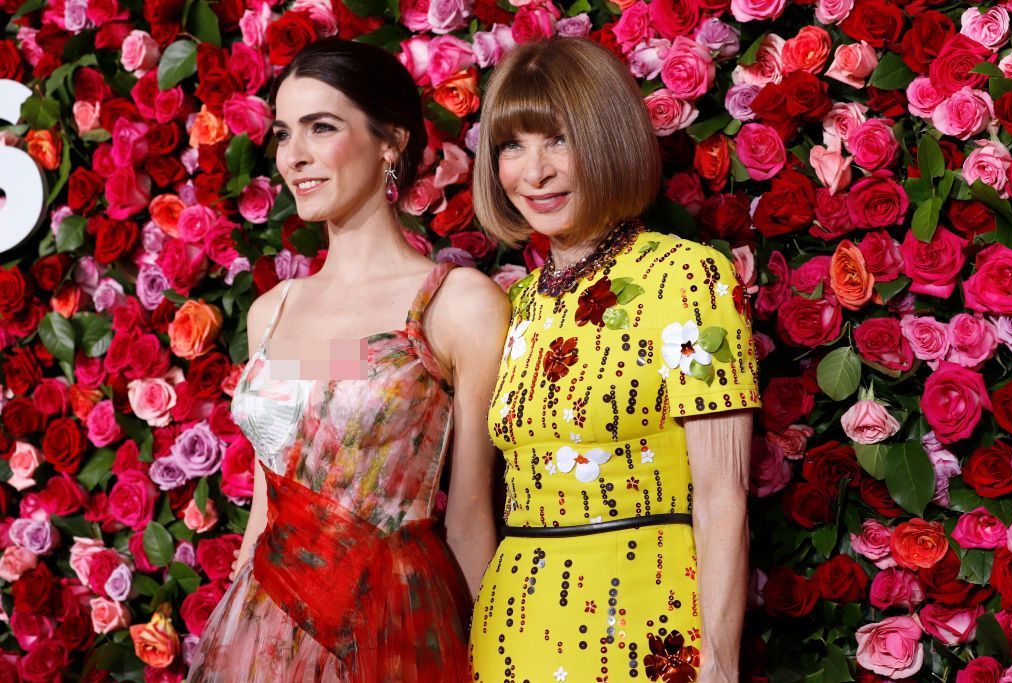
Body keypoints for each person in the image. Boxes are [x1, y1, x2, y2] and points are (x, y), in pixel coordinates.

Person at [189, 37, 508, 682]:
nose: (294, 156)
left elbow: (473, 516)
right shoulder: (272, 311)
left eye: (322, 127)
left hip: (389, 633)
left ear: (390, 141)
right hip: (263, 631)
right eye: (283, 133)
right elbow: (267, 501)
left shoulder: (454, 304)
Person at [468, 38, 761, 683]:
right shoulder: (511, 305)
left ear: (608, 140)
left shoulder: (686, 277)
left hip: (646, 629)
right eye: (511, 146)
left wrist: (719, 664)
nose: (533, 172)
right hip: (510, 633)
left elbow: (723, 492)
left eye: (558, 140)